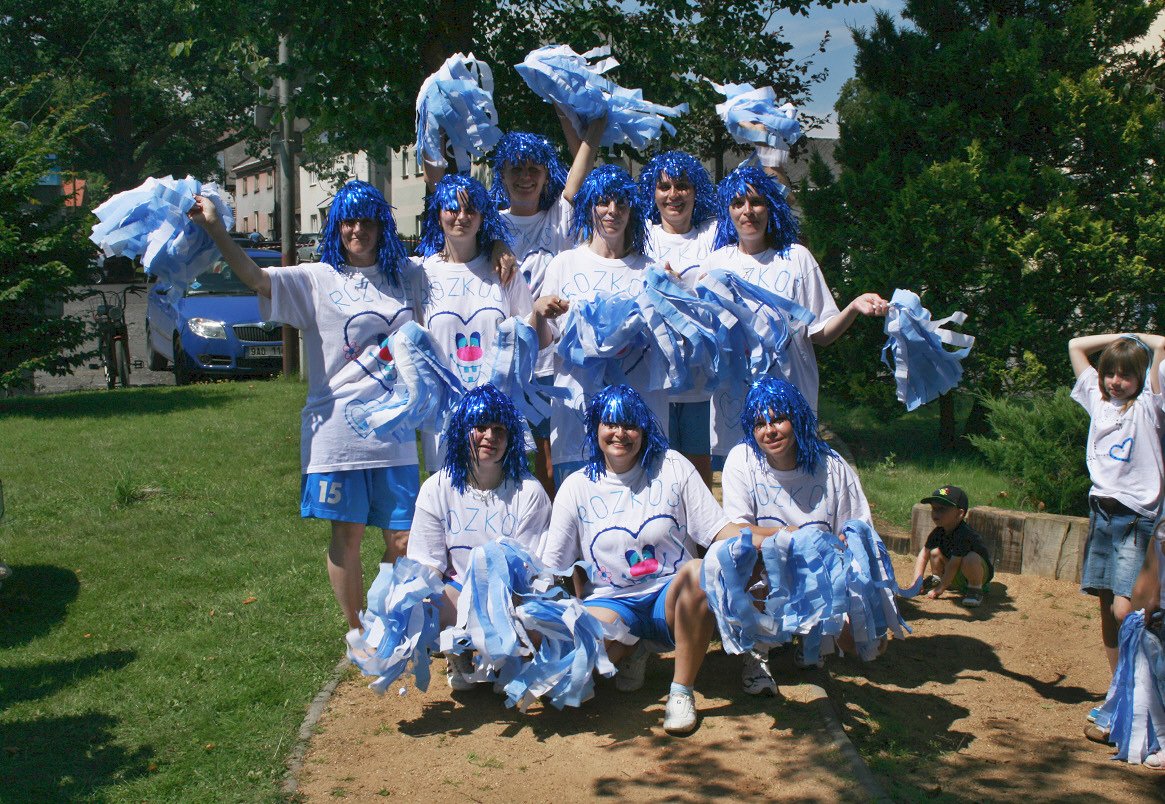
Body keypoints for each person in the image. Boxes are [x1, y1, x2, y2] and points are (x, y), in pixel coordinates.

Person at [189, 180, 425, 634]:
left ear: (382, 226)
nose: (358, 230)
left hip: (395, 435)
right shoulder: (316, 278)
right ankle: (357, 633)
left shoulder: (406, 276)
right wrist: (217, 229)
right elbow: (255, 278)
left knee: (403, 539)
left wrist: (497, 247)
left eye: (367, 221)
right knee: (348, 534)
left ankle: (386, 621)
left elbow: (456, 254)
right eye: (348, 221)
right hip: (337, 434)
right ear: (336, 227)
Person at [537, 385, 764, 734]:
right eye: (611, 424)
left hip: (670, 598)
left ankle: (681, 691)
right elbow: (552, 566)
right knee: (566, 684)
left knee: (700, 571)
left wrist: (778, 541)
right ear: (596, 428)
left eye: (630, 425)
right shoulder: (576, 486)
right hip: (612, 602)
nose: (620, 433)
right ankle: (631, 647)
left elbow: (719, 530)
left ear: (644, 430)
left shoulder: (672, 466)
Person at [697, 165, 888, 461]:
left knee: (793, 480)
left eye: (756, 201)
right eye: (737, 203)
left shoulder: (797, 257)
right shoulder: (714, 264)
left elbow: (822, 334)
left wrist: (853, 306)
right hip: (734, 404)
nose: (747, 211)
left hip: (790, 398)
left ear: (771, 206)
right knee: (742, 481)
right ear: (728, 211)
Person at [720, 377, 873, 693]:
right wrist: (787, 535)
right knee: (741, 555)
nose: (769, 431)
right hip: (766, 562)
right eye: (759, 424)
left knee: (867, 647)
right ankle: (757, 653)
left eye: (778, 419)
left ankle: (811, 638)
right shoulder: (742, 460)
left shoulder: (831, 465)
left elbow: (857, 527)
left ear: (797, 418)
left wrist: (843, 553)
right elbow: (737, 528)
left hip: (821, 568)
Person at [406, 384, 552, 688]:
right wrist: (412, 599)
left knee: (538, 619)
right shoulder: (436, 488)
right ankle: (457, 651)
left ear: (511, 438)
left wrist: (501, 606)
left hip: (512, 595)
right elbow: (427, 561)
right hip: (457, 591)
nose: (490, 437)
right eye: (480, 427)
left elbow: (533, 570)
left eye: (499, 430)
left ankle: (507, 657)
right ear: (462, 432)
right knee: (418, 602)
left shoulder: (529, 492)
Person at [532, 165, 668, 487]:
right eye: (603, 202)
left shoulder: (651, 270)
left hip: (636, 427)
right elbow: (545, 344)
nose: (612, 211)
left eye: (621, 203)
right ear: (589, 206)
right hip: (576, 425)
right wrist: (538, 313)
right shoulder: (564, 264)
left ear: (632, 210)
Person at [415, 174, 533, 471]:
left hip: (496, 415)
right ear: (438, 214)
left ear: (483, 216)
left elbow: (530, 333)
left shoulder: (504, 269)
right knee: (448, 494)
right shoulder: (421, 274)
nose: (462, 217)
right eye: (452, 209)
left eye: (471, 210)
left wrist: (498, 245)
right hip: (445, 418)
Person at [1068, 333, 1165, 677]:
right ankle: (1118, 689)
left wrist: (1135, 339)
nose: (1115, 382)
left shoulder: (1149, 404)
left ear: (1141, 377)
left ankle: (1146, 681)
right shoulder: (1097, 398)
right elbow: (1076, 346)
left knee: (1127, 610)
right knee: (1107, 607)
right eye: (1110, 373)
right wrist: (1121, 337)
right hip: (1102, 513)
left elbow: (1161, 344)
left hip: (1135, 516)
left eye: (1125, 375)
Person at [638, 151, 718, 488]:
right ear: (652, 192)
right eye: (665, 186)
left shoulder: (712, 233)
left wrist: (772, 151)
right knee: (657, 473)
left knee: (699, 475)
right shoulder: (640, 232)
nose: (674, 194)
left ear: (696, 190)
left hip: (700, 382)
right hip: (653, 380)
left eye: (683, 186)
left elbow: (771, 209)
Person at [910, 485, 994, 608]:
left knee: (970, 558)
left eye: (942, 509)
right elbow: (924, 554)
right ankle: (938, 578)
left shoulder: (964, 534)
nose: (936, 513)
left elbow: (954, 564)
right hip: (955, 573)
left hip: (976, 573)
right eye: (934, 508)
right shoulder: (939, 531)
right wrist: (917, 581)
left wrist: (940, 589)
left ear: (960, 513)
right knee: (934, 552)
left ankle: (975, 589)